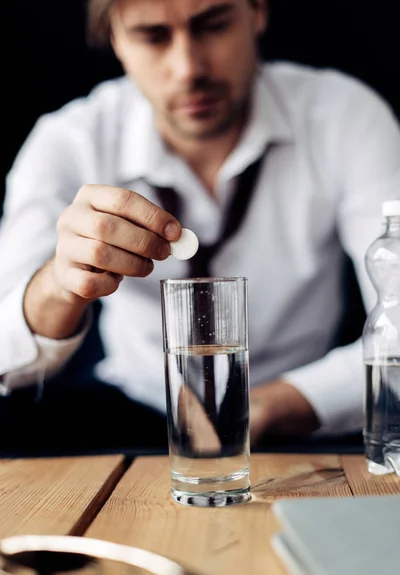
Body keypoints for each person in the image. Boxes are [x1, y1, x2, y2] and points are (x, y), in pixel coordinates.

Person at [1, 0, 400, 452]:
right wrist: (57, 284)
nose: (188, 68)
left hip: (305, 429)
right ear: (115, 37)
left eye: (213, 25)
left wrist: (275, 403)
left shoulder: (345, 118)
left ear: (258, 13)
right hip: (129, 426)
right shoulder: (69, 142)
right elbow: (6, 358)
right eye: (153, 36)